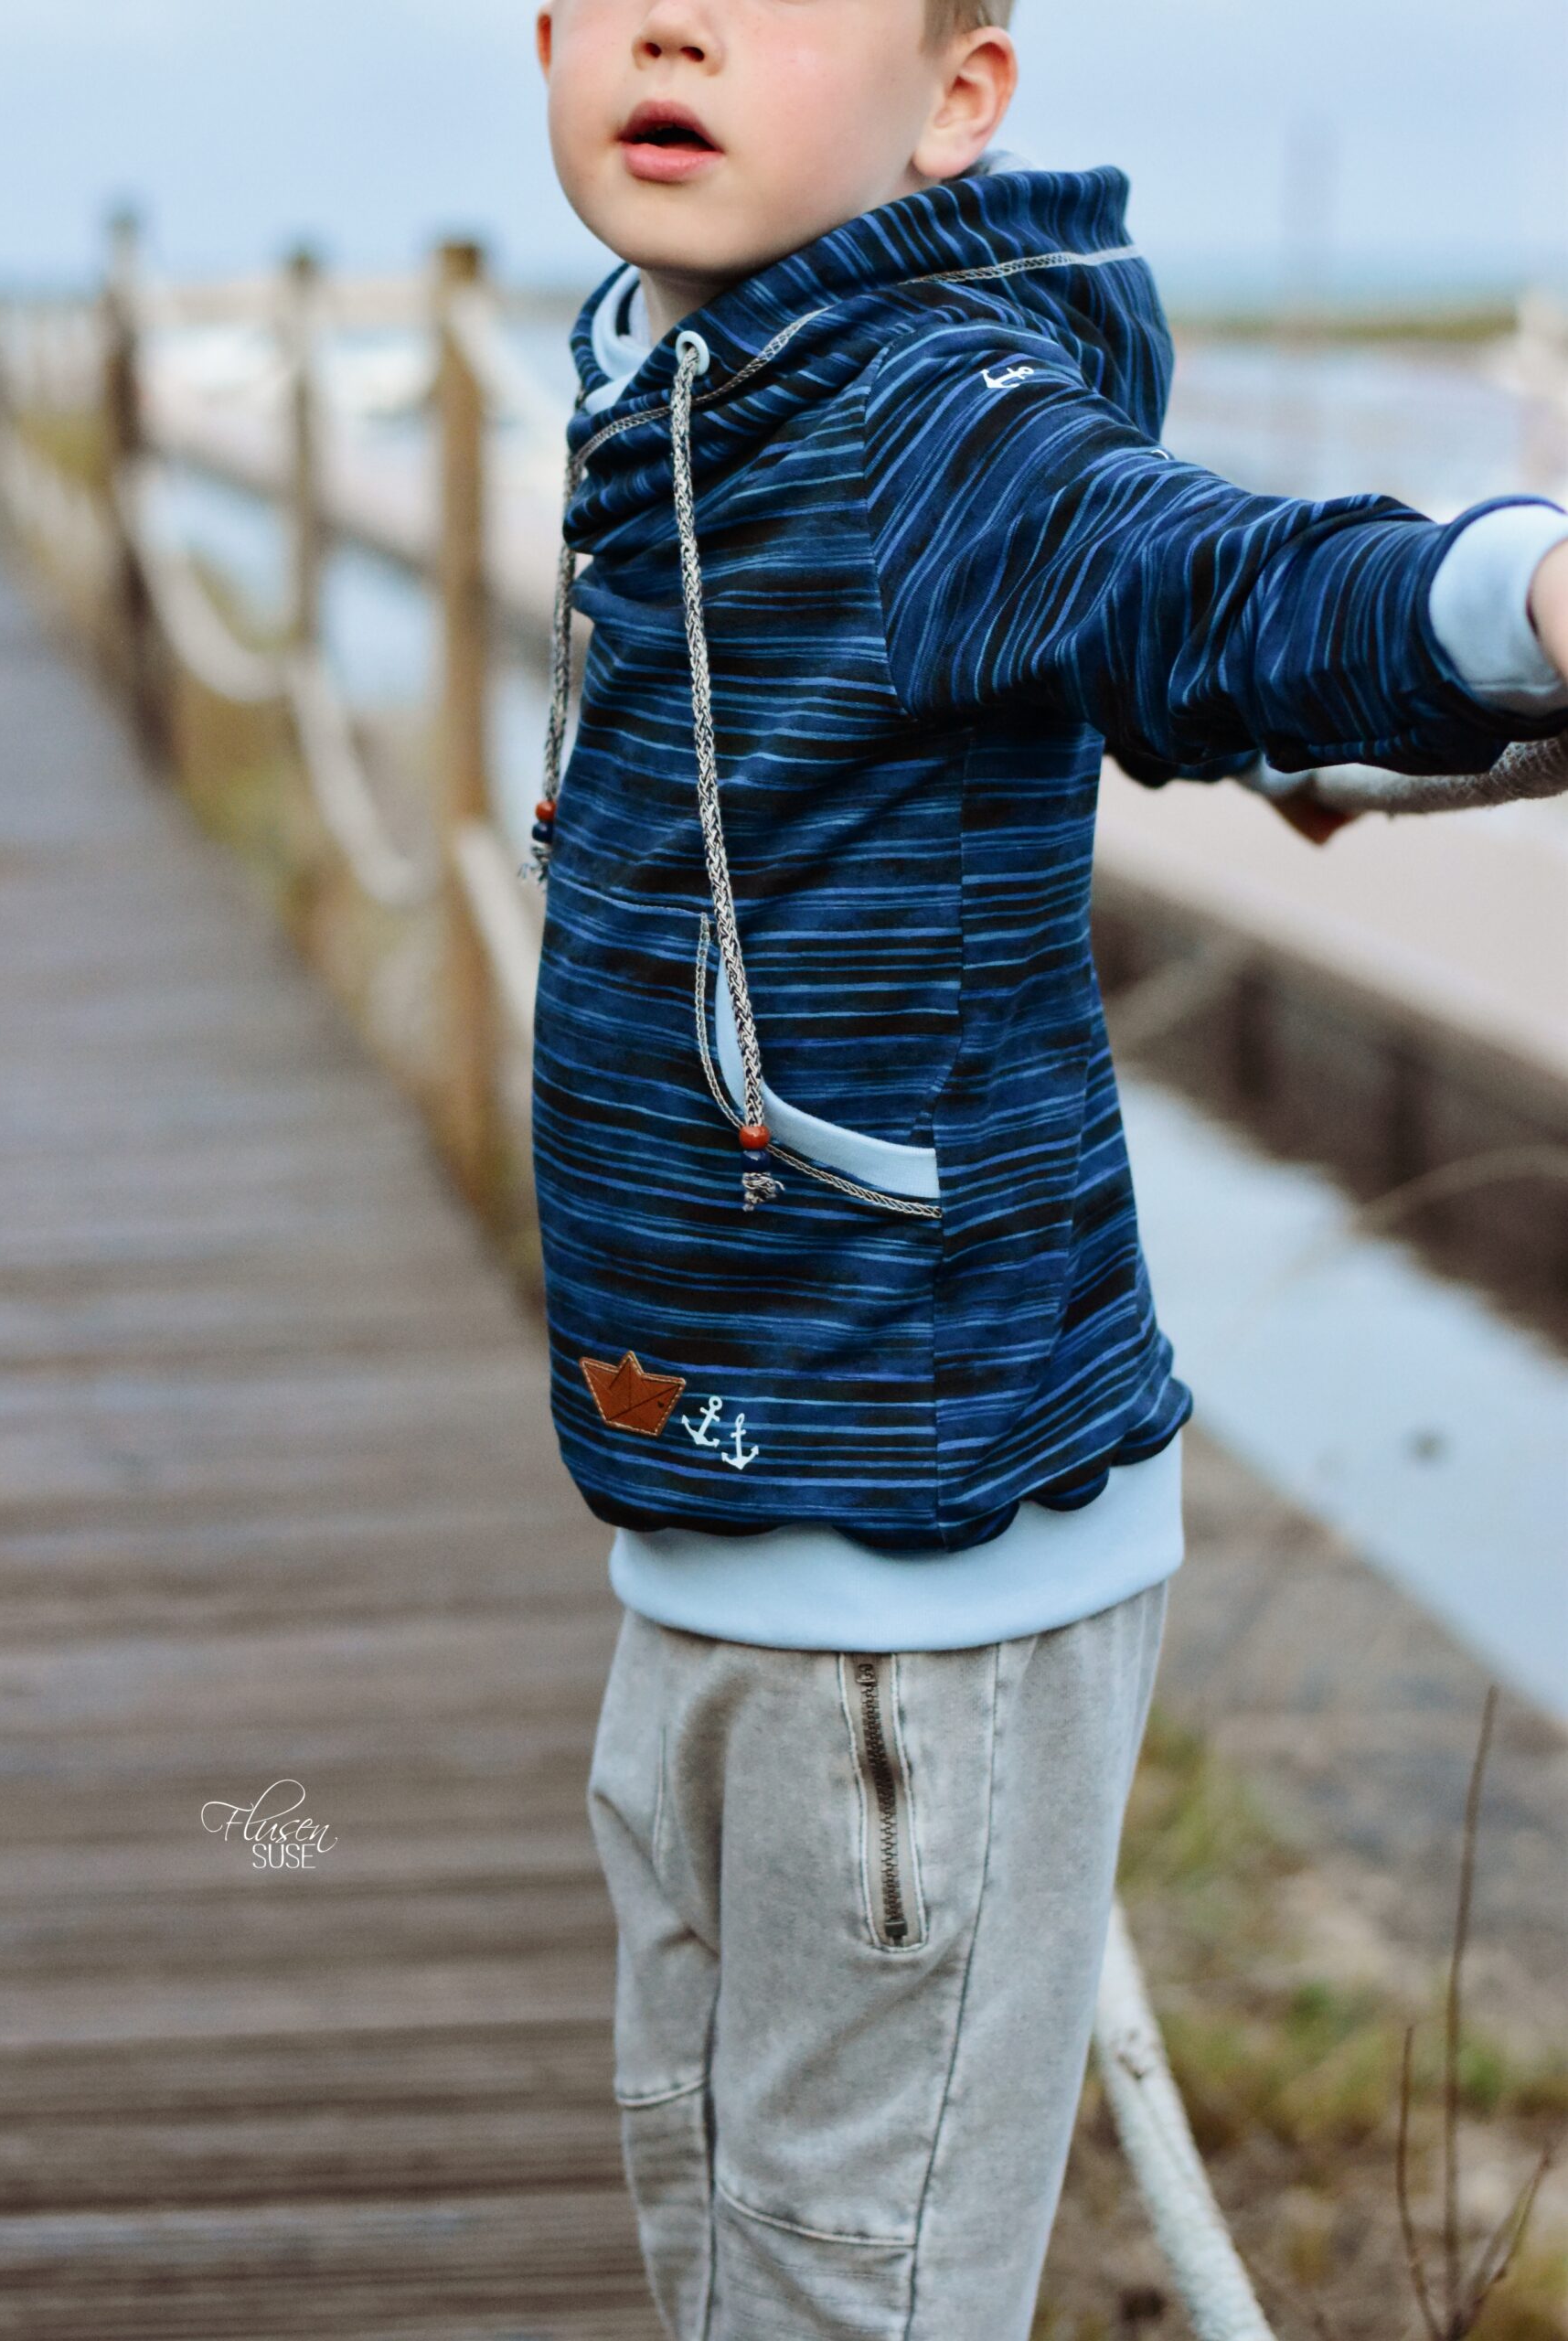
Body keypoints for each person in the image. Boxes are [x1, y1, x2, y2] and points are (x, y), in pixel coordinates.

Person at [526, 3, 1568, 2335]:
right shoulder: (677, 375)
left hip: (911, 1578)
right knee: (716, 2195)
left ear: (958, 100)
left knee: (850, 2269)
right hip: (708, 1502)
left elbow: (1205, 581)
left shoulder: (924, 413)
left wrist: (1514, 595)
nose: (680, 23)